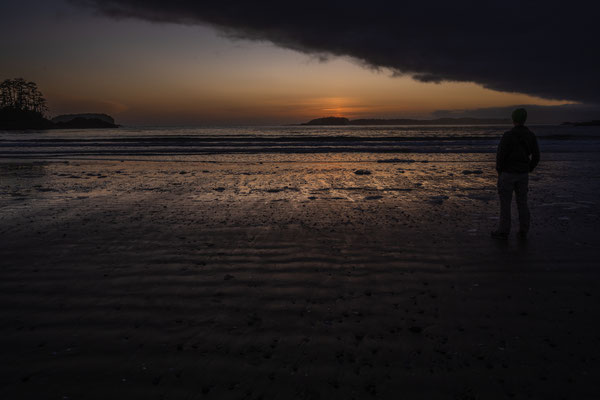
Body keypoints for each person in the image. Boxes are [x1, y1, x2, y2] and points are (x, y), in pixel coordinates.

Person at [491, 108, 540, 240]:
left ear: (514, 119)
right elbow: (536, 156)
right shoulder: (531, 135)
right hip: (523, 174)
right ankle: (524, 229)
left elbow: (500, 155)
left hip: (508, 173)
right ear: (524, 119)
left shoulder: (508, 135)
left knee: (505, 204)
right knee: (522, 202)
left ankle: (503, 231)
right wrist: (529, 168)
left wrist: (499, 170)